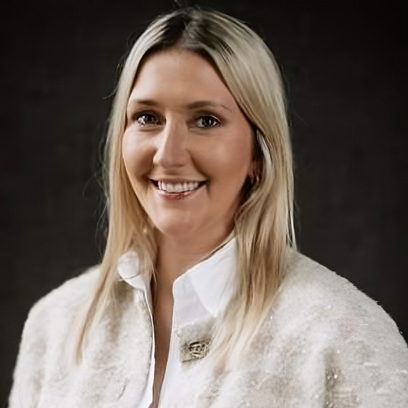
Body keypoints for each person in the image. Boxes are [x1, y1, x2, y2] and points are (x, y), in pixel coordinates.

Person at [9, 7, 408, 408]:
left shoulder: (342, 337)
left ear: (258, 153)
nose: (168, 155)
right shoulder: (55, 325)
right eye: (147, 117)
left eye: (205, 121)